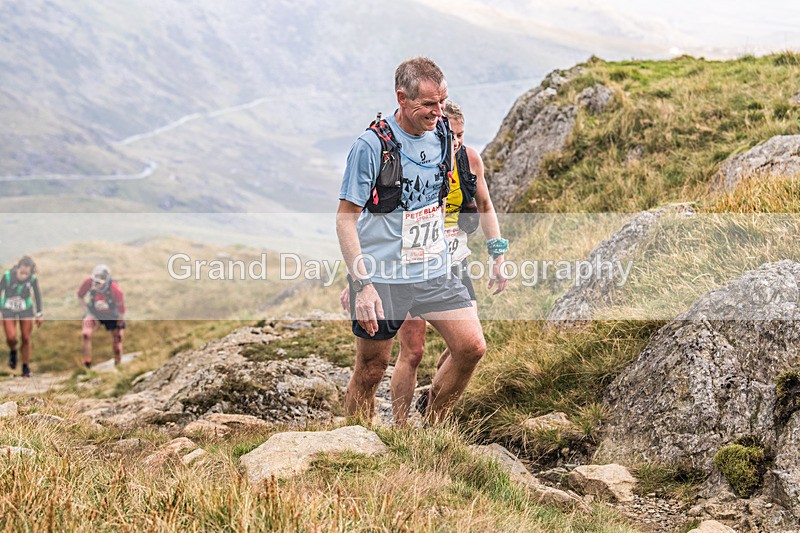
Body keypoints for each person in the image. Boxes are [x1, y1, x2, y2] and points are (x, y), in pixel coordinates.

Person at [337, 57, 503, 424]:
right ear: (402, 97)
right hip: (384, 276)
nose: (437, 111)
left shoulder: (443, 134)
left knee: (471, 347)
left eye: (442, 101)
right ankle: (355, 445)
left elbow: (439, 197)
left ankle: (433, 428)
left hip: (435, 270)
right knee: (371, 368)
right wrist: (361, 283)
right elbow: (346, 218)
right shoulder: (371, 146)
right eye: (428, 104)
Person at [1, 256, 43, 377]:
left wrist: (39, 313)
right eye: (21, 272)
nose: (23, 276)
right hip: (8, 309)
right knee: (11, 337)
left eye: (26, 273)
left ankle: (25, 367)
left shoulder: (33, 279)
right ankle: (13, 351)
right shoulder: (7, 276)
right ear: (17, 269)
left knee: (25, 337)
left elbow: (37, 296)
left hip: (26, 309)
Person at [77, 264, 126, 368]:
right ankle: (87, 365)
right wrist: (88, 313)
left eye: (98, 283)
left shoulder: (115, 290)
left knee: (118, 340)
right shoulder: (88, 282)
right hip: (94, 312)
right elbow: (80, 296)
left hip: (112, 314)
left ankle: (118, 367)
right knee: (86, 334)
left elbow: (121, 310)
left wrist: (119, 324)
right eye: (94, 281)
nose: (95, 284)